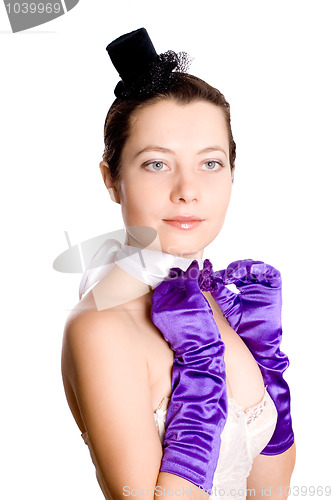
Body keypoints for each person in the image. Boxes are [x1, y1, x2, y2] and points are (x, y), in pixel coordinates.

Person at [61, 28, 296, 500]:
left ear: (232, 172)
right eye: (156, 163)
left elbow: (272, 489)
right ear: (111, 178)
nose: (187, 189)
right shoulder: (100, 328)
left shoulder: (214, 297)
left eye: (210, 163)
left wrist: (267, 364)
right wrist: (200, 368)